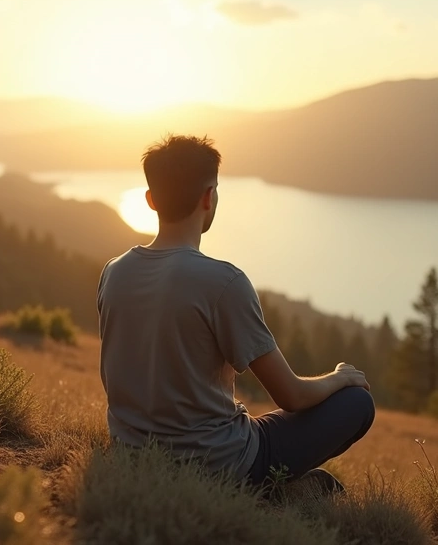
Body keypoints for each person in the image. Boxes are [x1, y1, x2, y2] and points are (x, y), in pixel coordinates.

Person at [96, 134, 375, 492]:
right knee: (357, 403)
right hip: (221, 464)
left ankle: (285, 487)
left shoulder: (113, 273)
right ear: (208, 197)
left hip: (131, 453)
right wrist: (340, 377)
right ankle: (271, 490)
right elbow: (291, 396)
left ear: (151, 200)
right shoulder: (224, 282)